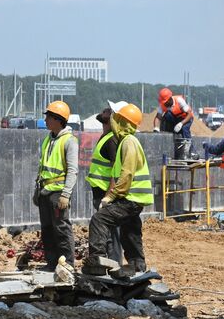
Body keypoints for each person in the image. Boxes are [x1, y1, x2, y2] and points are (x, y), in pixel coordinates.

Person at [83, 102, 152, 277]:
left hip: (129, 198)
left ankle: (97, 262)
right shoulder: (126, 141)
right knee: (130, 231)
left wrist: (111, 196)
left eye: (116, 117)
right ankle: (138, 266)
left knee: (99, 220)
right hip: (134, 198)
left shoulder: (128, 142)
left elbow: (126, 174)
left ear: (121, 120)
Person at [34, 100, 78, 271]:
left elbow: (73, 170)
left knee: (61, 228)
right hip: (45, 191)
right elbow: (42, 166)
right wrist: (36, 189)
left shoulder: (69, 141)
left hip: (58, 193)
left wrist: (66, 194)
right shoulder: (48, 139)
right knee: (47, 229)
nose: (46, 120)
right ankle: (52, 263)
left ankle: (67, 264)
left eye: (49, 117)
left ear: (58, 119)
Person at [84, 107, 123, 262]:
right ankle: (109, 262)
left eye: (107, 112)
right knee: (105, 231)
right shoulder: (105, 137)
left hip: (106, 194)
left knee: (111, 233)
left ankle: (114, 263)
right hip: (99, 192)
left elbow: (116, 170)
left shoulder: (112, 139)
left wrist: (109, 195)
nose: (102, 113)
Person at [158, 87, 194, 159]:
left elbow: (190, 114)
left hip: (186, 119)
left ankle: (190, 152)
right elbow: (158, 117)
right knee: (166, 115)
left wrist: (181, 124)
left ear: (170, 98)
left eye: (166, 102)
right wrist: (156, 128)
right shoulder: (163, 105)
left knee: (184, 129)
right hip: (176, 119)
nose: (165, 104)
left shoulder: (179, 100)